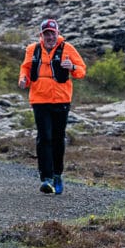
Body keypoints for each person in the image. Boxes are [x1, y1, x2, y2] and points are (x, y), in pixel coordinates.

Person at [18, 18, 86, 195]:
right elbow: (25, 68)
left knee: (57, 138)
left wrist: (72, 67)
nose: (49, 37)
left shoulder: (68, 49)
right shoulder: (32, 49)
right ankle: (46, 178)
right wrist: (23, 79)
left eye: (52, 33)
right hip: (39, 99)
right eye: (46, 33)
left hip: (61, 99)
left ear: (57, 33)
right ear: (41, 35)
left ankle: (57, 175)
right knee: (44, 137)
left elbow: (81, 70)